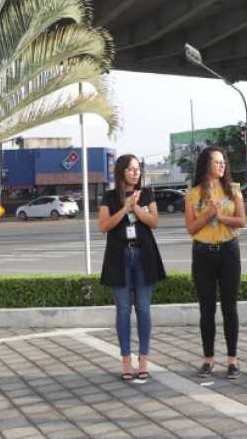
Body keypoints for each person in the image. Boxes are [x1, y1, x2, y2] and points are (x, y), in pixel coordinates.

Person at [98, 154, 166, 381]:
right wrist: (125, 206)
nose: (135, 172)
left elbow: (154, 222)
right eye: (130, 169)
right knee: (124, 311)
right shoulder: (109, 196)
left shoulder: (147, 193)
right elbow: (104, 226)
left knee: (144, 309)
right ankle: (126, 360)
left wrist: (136, 208)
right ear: (121, 172)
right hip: (119, 256)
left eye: (138, 168)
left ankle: (143, 360)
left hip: (144, 254)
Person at [185, 147, 246, 379]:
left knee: (230, 308)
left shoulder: (233, 190)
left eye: (223, 162)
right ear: (206, 165)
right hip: (202, 254)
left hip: (229, 251)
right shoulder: (193, 193)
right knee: (206, 309)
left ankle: (232, 360)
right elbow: (191, 228)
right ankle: (208, 360)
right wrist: (208, 215)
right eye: (217, 162)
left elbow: (241, 221)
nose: (222, 166)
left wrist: (220, 217)